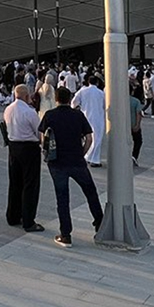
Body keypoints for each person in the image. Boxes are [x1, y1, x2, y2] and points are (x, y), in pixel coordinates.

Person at [39, 86, 104, 249]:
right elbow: (89, 138)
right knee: (91, 192)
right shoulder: (78, 115)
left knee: (62, 198)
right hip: (77, 161)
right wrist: (82, 153)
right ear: (70, 99)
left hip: (57, 162)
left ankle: (66, 234)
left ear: (56, 99)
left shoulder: (50, 115)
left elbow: (43, 139)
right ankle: (100, 225)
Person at [3, 84, 43, 232]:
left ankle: (13, 215)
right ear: (27, 96)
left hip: (13, 147)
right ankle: (28, 220)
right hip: (29, 148)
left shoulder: (8, 109)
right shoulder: (30, 112)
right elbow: (39, 133)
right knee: (30, 184)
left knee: (15, 182)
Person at [71, 76, 107, 166]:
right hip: (98, 117)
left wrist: (76, 108)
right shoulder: (101, 93)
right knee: (97, 138)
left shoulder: (82, 91)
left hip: (85, 116)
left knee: (87, 138)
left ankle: (87, 155)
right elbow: (105, 105)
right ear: (97, 83)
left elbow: (73, 103)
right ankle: (94, 159)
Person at [129, 86, 144, 169]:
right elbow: (138, 114)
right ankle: (134, 156)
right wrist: (138, 125)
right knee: (138, 141)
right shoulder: (135, 101)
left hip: (123, 127)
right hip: (133, 124)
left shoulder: (119, 101)